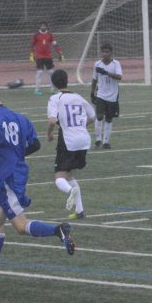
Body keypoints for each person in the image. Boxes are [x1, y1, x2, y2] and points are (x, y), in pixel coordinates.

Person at [0, 83, 75, 284]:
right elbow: (35, 144)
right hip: (17, 174)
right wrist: (17, 154)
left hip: (7, 178)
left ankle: (57, 230)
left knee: (20, 225)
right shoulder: (20, 118)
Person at [47, 69, 95, 220]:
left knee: (59, 177)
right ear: (67, 81)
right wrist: (80, 126)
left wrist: (49, 134)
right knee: (70, 174)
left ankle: (70, 191)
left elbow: (52, 120)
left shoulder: (55, 98)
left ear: (53, 84)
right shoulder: (78, 97)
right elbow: (92, 117)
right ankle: (79, 211)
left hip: (68, 140)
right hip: (84, 139)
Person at [90, 43, 123, 149]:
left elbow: (119, 77)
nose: (105, 54)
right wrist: (92, 92)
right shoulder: (97, 64)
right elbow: (94, 79)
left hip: (113, 96)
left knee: (109, 118)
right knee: (99, 117)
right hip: (101, 95)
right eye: (103, 51)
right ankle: (98, 140)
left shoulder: (116, 64)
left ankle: (106, 142)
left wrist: (106, 72)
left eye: (107, 51)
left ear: (111, 52)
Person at [29, 22, 64, 96]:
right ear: (39, 27)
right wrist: (32, 54)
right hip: (39, 57)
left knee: (51, 73)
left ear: (46, 27)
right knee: (39, 73)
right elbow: (32, 44)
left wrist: (60, 52)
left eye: (44, 26)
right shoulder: (36, 35)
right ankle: (37, 90)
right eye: (41, 26)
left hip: (48, 57)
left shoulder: (50, 35)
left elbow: (55, 44)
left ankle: (52, 89)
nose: (43, 27)